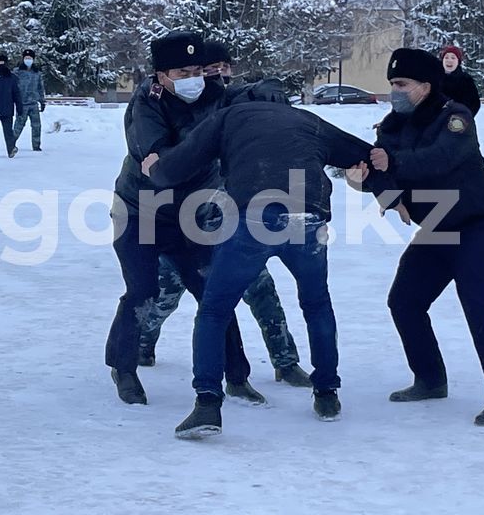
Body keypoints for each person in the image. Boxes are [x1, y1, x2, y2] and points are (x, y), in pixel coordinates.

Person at [141, 101, 402, 438]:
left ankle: (207, 404)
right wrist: (387, 178)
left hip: (254, 216)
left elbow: (180, 164)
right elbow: (367, 155)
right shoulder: (307, 120)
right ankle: (326, 393)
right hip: (309, 216)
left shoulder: (227, 116)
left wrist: (155, 168)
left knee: (215, 310)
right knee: (316, 303)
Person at [139, 40, 313, 388]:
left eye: (221, 67)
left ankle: (285, 361)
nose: (213, 75)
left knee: (261, 287)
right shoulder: (167, 105)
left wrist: (270, 89)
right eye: (206, 69)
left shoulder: (230, 98)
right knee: (166, 293)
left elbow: (252, 98)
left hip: (227, 211)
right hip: (182, 215)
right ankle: (142, 342)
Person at [107, 31, 264, 406]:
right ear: (160, 75)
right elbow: (160, 162)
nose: (194, 78)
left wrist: (268, 94)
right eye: (182, 71)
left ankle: (236, 375)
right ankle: (123, 368)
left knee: (215, 291)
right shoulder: (145, 105)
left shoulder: (214, 93)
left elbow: (246, 98)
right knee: (143, 289)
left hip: (191, 213)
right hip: (139, 211)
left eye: (198, 69)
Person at [371, 47, 484, 426]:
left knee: (476, 301)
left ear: (425, 85)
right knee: (404, 300)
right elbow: (377, 170)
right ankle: (430, 379)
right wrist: (388, 194)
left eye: (402, 83)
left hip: (476, 223)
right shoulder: (392, 125)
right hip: (437, 226)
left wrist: (395, 164)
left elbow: (440, 159)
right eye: (391, 84)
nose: (395, 91)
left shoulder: (455, 117)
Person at [12, 48, 46, 151]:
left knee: (36, 126)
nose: (28, 60)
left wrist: (42, 100)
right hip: (22, 103)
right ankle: (11, 143)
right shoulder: (17, 72)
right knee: (19, 125)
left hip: (33, 103)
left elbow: (40, 87)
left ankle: (36, 145)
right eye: (26, 58)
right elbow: (12, 87)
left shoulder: (37, 73)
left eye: (30, 58)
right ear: (23, 59)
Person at [439, 46, 480, 116]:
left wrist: (462, 118)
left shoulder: (466, 80)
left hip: (457, 123)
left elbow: (474, 104)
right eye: (446, 57)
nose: (449, 60)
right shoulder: (433, 78)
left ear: (458, 61)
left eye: (453, 58)